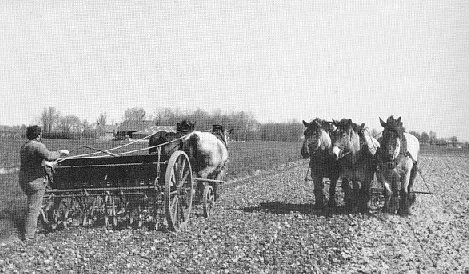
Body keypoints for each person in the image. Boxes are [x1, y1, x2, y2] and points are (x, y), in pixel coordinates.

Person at [19, 125, 69, 241]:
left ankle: (32, 227)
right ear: (38, 135)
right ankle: (29, 236)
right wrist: (60, 152)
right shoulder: (38, 145)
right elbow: (50, 156)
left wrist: (45, 164)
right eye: (40, 133)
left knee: (31, 205)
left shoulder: (24, 146)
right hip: (35, 181)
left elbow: (33, 162)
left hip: (24, 180)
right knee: (33, 208)